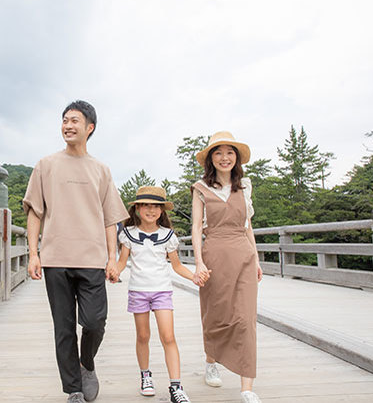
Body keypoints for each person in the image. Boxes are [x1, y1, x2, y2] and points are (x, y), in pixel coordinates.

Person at [23, 100, 129, 403]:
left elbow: (111, 219)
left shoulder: (101, 170)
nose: (68, 126)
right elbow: (35, 213)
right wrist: (34, 253)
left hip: (92, 259)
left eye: (75, 121)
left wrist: (112, 257)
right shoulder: (46, 165)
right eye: (64, 120)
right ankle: (73, 389)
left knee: (95, 322)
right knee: (64, 328)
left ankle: (87, 364)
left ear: (89, 127)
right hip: (55, 258)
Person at [111, 186, 209, 403]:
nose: (151, 210)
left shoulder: (168, 235)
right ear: (137, 208)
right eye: (146, 205)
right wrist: (111, 273)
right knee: (143, 336)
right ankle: (145, 375)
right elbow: (120, 263)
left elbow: (176, 265)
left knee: (168, 336)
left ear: (162, 210)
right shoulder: (128, 234)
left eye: (156, 206)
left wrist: (193, 276)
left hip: (162, 291)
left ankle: (176, 386)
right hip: (138, 291)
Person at [190, 131, 263, 403]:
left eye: (229, 152)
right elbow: (197, 227)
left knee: (246, 320)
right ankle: (212, 361)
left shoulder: (245, 186)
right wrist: (198, 261)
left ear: (236, 157)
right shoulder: (201, 189)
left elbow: (248, 227)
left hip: (243, 256)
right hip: (214, 255)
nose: (224, 158)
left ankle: (246, 387)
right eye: (218, 153)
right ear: (211, 158)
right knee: (216, 314)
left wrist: (255, 259)